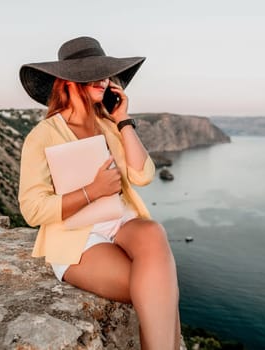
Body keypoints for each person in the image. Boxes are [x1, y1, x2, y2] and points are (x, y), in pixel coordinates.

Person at [18, 36, 181, 349]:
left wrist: (123, 121)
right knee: (160, 287)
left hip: (120, 220)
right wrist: (91, 191)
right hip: (77, 235)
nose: (104, 79)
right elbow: (32, 209)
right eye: (92, 73)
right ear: (66, 82)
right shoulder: (43, 136)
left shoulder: (109, 126)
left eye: (105, 72)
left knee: (153, 232)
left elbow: (143, 176)